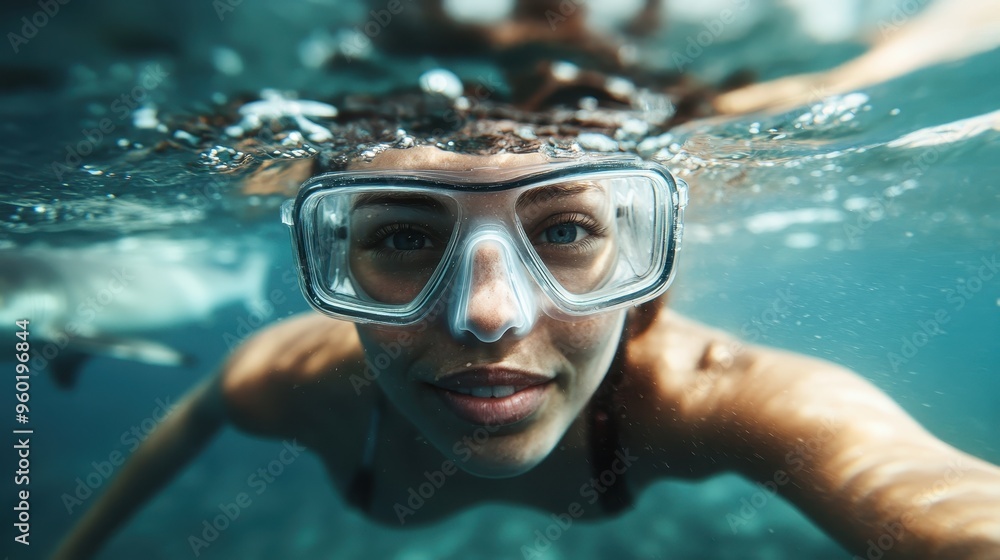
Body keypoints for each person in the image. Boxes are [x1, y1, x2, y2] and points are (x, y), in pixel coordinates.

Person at [53, 135, 1000, 559]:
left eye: (565, 232)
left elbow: (924, 498)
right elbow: (190, 419)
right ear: (335, 273)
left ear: (647, 273)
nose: (489, 317)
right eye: (404, 236)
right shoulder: (291, 380)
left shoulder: (715, 397)